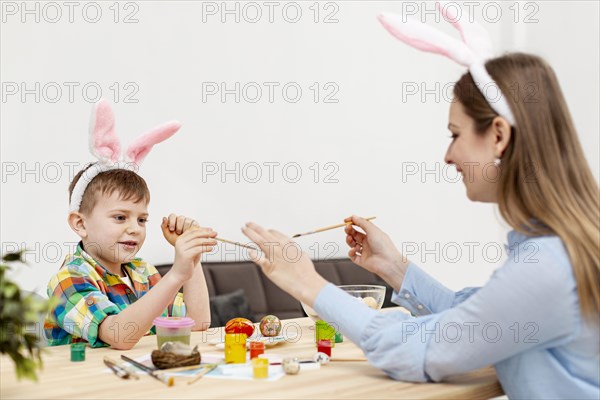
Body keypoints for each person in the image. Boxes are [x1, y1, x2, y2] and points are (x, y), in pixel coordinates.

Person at [240, 8, 599, 400]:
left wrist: (307, 283)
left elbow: (418, 350)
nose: (448, 156)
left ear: (497, 135)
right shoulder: (557, 250)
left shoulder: (548, 265)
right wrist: (394, 268)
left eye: (455, 134)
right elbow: (469, 318)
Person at [45, 100, 216, 349]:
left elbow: (197, 325)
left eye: (142, 219)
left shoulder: (143, 273)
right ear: (80, 223)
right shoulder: (68, 279)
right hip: (85, 385)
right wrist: (176, 274)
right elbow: (119, 336)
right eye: (120, 217)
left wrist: (192, 260)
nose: (134, 228)